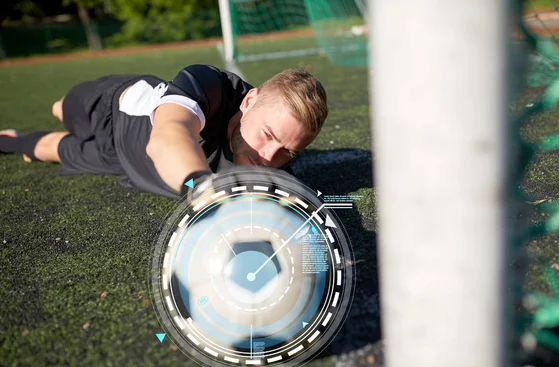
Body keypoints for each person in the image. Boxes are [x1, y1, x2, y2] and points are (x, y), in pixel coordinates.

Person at [0, 65, 328, 199]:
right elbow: (166, 138)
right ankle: (60, 108)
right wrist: (200, 190)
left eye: (288, 151)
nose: (269, 156)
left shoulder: (275, 173)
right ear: (250, 101)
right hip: (113, 107)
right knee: (63, 110)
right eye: (268, 135)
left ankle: (10, 140)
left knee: (44, 150)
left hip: (125, 158)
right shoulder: (212, 86)